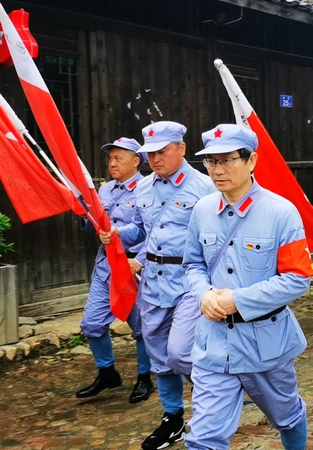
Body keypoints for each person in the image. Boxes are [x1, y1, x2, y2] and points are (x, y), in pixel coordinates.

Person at [182, 124, 313, 449]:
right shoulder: (202, 210)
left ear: (251, 160)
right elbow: (192, 265)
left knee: (287, 417)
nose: (218, 170)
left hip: (266, 345)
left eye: (227, 160)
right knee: (203, 438)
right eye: (211, 161)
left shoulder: (281, 212)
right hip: (214, 344)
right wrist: (203, 294)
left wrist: (238, 300)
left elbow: (298, 277)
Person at [101, 121, 216, 450]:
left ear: (181, 149)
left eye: (162, 151)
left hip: (189, 281)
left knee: (179, 353)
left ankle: (216, 396)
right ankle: (173, 418)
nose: (155, 158)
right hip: (153, 281)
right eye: (150, 153)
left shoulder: (205, 187)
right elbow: (141, 231)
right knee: (159, 358)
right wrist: (118, 233)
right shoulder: (144, 188)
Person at [77, 138, 153, 403]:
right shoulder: (105, 190)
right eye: (110, 158)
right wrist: (83, 214)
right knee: (92, 324)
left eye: (118, 158)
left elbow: (155, 232)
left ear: (136, 161)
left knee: (142, 326)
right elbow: (95, 226)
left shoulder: (149, 189)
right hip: (107, 265)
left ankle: (144, 377)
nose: (112, 163)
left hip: (134, 267)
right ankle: (107, 372)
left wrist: (140, 260)